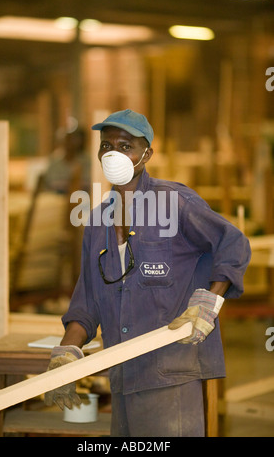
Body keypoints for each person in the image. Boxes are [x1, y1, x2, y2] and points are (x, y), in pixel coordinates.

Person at [44, 109, 251, 437]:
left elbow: (232, 243)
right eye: (106, 145)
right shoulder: (97, 222)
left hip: (170, 377)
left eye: (125, 146)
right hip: (121, 377)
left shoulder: (176, 202)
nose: (113, 153)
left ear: (147, 154)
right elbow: (85, 303)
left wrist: (209, 301)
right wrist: (67, 352)